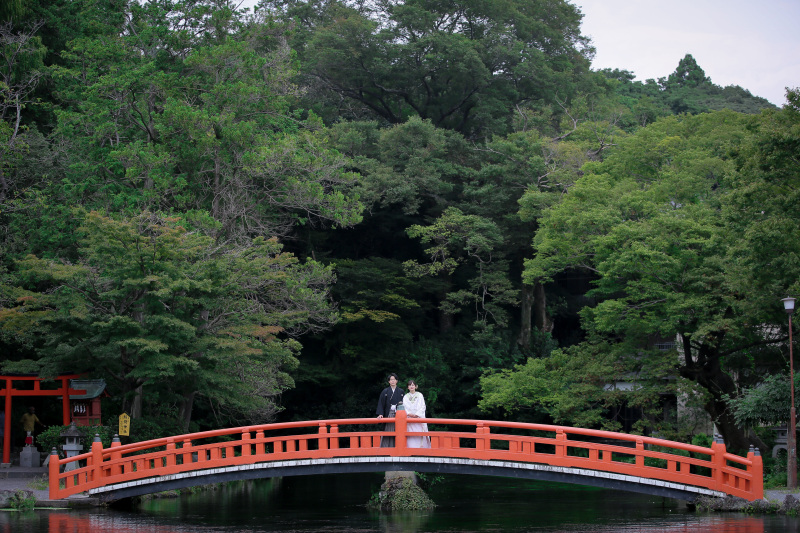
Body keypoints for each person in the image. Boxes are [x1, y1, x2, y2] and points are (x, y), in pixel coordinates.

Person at [376, 373, 404, 447]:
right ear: (389, 381)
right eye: (391, 380)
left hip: (398, 413)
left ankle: (398, 446)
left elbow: (404, 404)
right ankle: (386, 447)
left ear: (397, 381)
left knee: (398, 430)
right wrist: (380, 413)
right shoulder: (385, 391)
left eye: (394, 379)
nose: (392, 381)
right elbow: (381, 403)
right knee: (388, 430)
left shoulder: (401, 391)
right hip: (388, 413)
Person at [403, 379, 431, 449]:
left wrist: (417, 414)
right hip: (409, 420)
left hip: (418, 419)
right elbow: (404, 407)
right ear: (407, 387)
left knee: (420, 433)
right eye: (410, 385)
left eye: (413, 385)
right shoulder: (405, 396)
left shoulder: (420, 395)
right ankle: (410, 448)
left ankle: (422, 449)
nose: (411, 386)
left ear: (416, 386)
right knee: (410, 435)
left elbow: (422, 406)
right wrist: (409, 414)